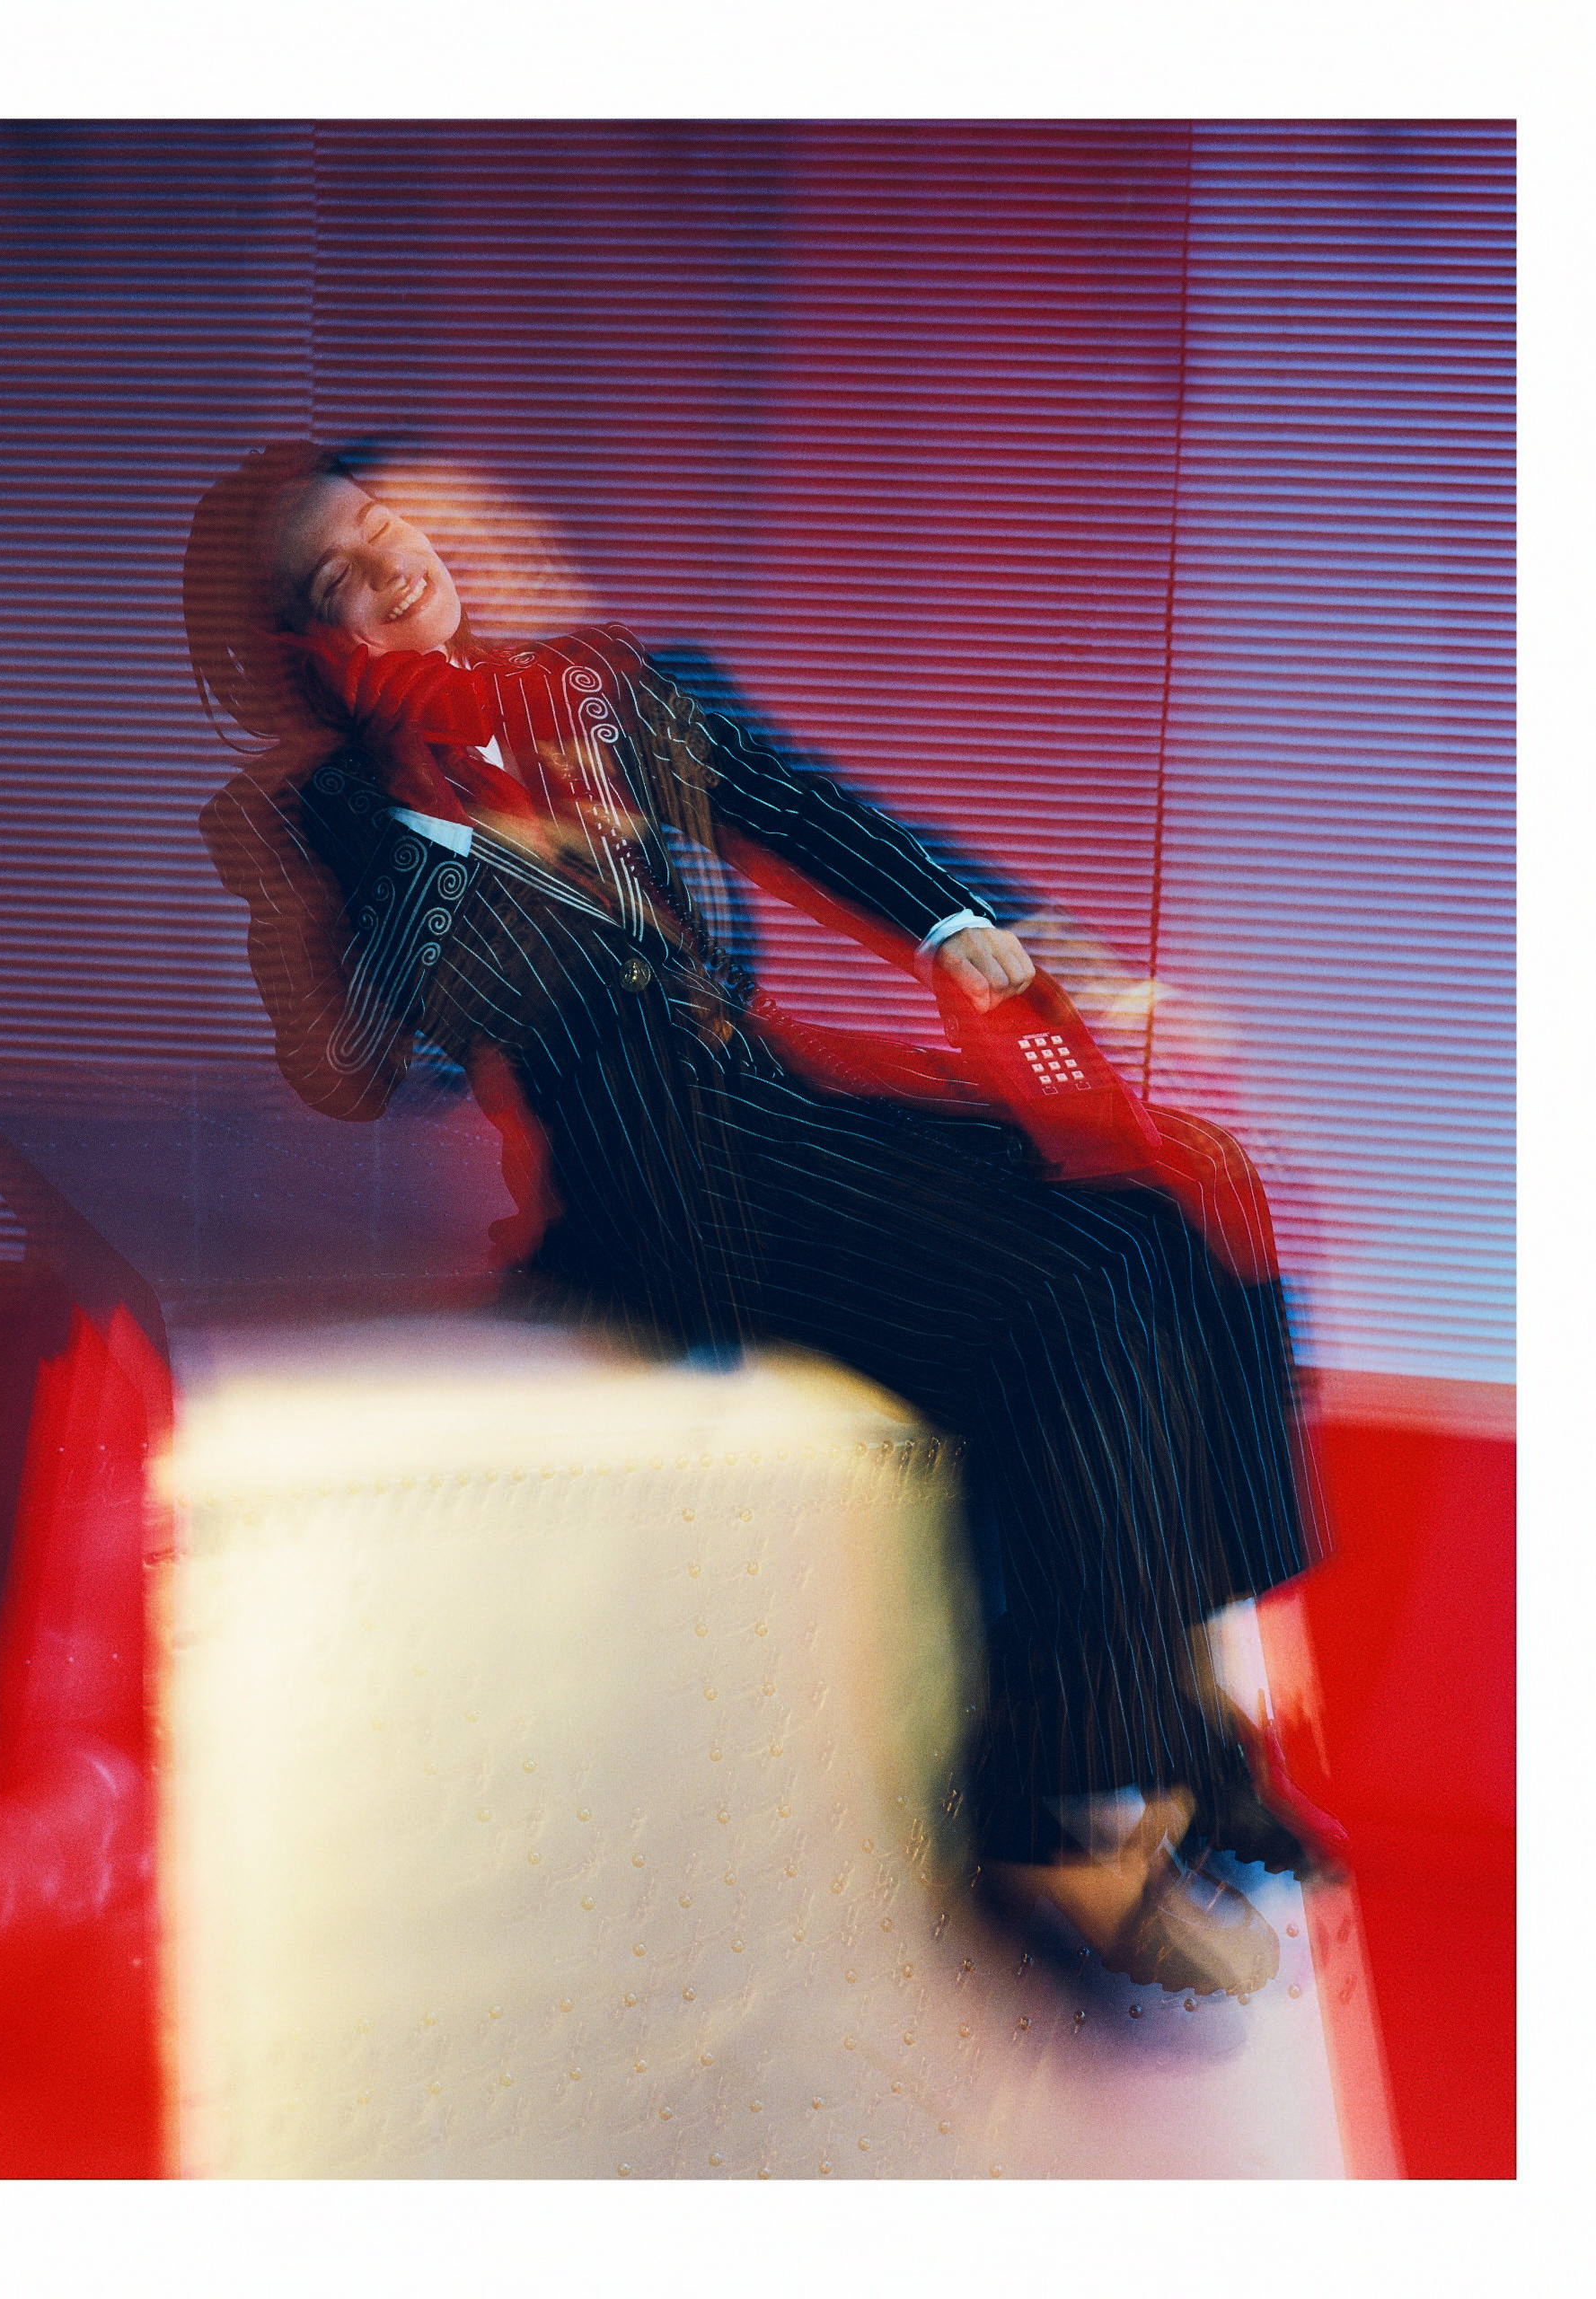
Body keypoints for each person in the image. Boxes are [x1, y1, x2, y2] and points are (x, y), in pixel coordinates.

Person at [183, 442, 1333, 1998]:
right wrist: (445, 809)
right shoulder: (347, 813)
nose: (391, 570)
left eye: (392, 534)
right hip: (656, 1188)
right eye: (339, 577)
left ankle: (1192, 1739)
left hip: (774, 1106)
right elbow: (385, 1052)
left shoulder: (609, 696)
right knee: (1067, 1283)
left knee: (1173, 1215)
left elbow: (809, 813)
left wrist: (982, 931)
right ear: (307, 647)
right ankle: (1050, 1813)